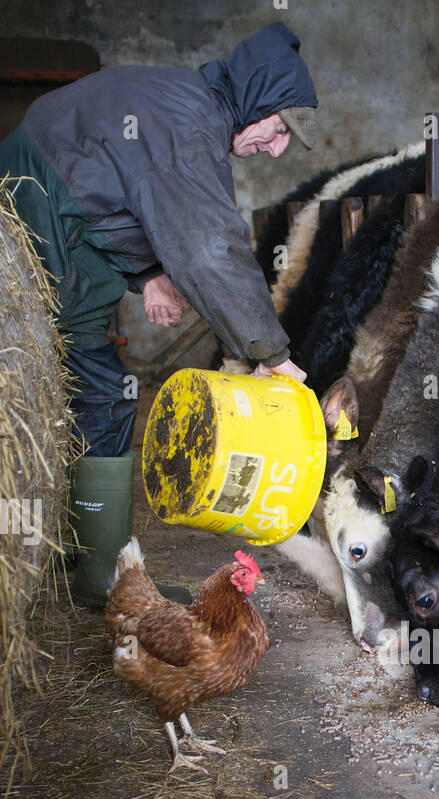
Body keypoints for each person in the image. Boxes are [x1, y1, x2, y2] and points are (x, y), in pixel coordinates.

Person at [0, 22, 315, 605]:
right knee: (101, 393)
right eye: (277, 130)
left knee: (81, 394)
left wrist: (148, 277)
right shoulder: (189, 130)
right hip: (39, 223)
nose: (277, 149)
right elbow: (211, 250)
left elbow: (116, 192)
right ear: (256, 103)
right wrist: (271, 355)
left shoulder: (179, 103)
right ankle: (104, 580)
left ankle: (73, 539)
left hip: (52, 218)